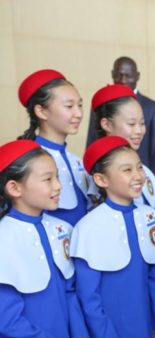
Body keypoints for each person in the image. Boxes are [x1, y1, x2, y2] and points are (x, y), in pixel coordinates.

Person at [71, 136, 155, 338]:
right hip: (109, 333)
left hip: (141, 330)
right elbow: (88, 296)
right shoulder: (89, 227)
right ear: (101, 180)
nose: (138, 175)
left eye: (139, 167)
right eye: (127, 169)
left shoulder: (151, 218)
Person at [0, 140, 91, 338]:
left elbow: (71, 292)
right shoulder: (4, 238)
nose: (58, 186)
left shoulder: (60, 229)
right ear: (14, 187)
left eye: (57, 177)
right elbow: (7, 321)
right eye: (47, 179)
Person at [17, 69, 93, 226]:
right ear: (41, 111)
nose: (78, 113)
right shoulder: (27, 160)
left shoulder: (76, 161)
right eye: (69, 106)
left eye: (80, 105)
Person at [87, 56, 155, 185]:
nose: (123, 80)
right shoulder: (101, 106)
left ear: (137, 76)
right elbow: (92, 143)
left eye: (128, 76)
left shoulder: (153, 108)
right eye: (119, 75)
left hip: (142, 182)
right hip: (107, 181)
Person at [90, 83, 155, 209]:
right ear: (107, 125)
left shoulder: (145, 172)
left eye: (142, 123)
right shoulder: (99, 176)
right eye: (131, 124)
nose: (139, 130)